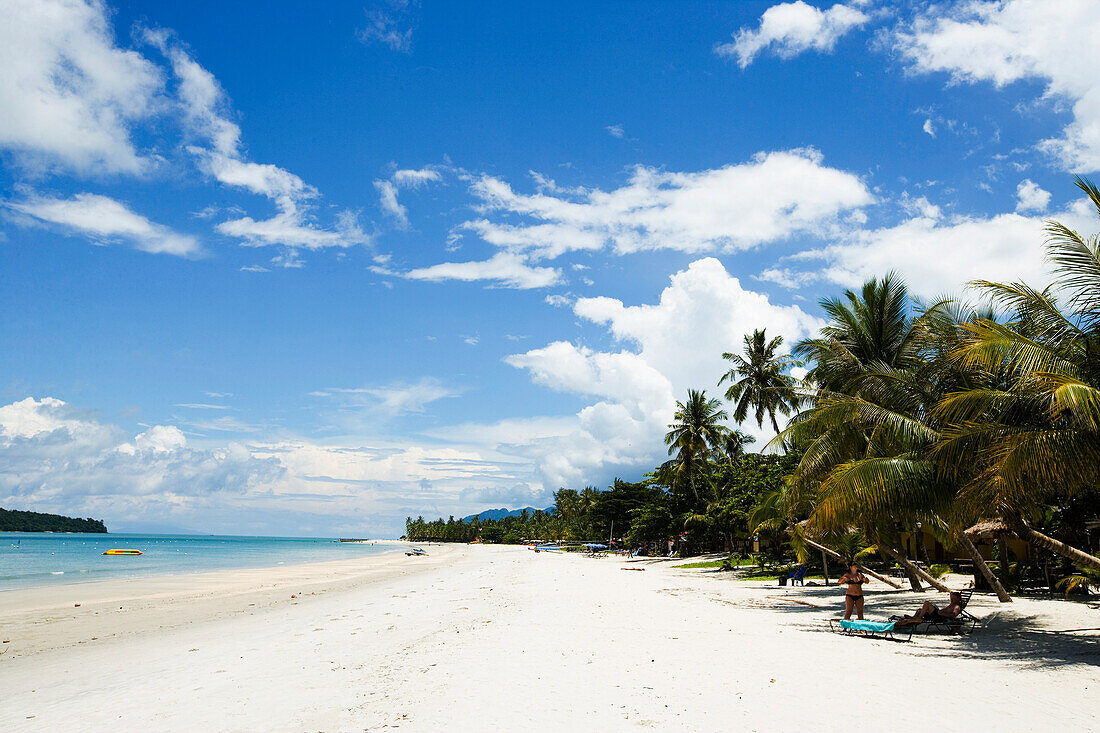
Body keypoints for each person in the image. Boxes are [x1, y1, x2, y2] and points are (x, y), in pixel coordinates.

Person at [895, 591, 963, 627]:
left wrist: (942, 613)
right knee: (919, 610)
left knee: (927, 603)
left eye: (953, 599)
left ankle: (918, 619)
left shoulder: (956, 606)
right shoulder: (950, 604)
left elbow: (953, 615)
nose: (951, 600)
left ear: (958, 599)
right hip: (938, 614)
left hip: (939, 617)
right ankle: (914, 619)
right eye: (951, 598)